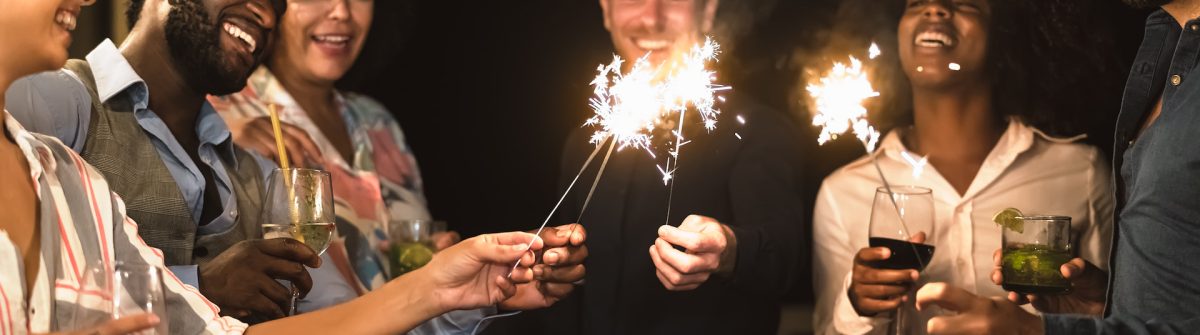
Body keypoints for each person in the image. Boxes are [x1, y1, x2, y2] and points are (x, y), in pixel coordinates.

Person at [3, 0, 585, 327]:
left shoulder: (256, 171)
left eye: (278, 1)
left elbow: (345, 319)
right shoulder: (53, 105)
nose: (264, 11)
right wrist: (202, 284)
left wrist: (469, 289)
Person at [812, 0, 1119, 333]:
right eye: (916, 2)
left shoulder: (1081, 171)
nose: (934, 8)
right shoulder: (841, 192)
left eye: (965, 3)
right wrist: (859, 304)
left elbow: (1117, 320)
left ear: (1002, 31)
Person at [913, 0, 1200, 333]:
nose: (934, 9)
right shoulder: (1168, 55)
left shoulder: (1081, 166)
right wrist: (1104, 306)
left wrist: (1037, 331)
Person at [534, 0, 807, 333]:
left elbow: (784, 257)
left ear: (707, 12)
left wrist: (728, 250)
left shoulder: (758, 130)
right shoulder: (583, 142)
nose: (652, 17)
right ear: (606, 10)